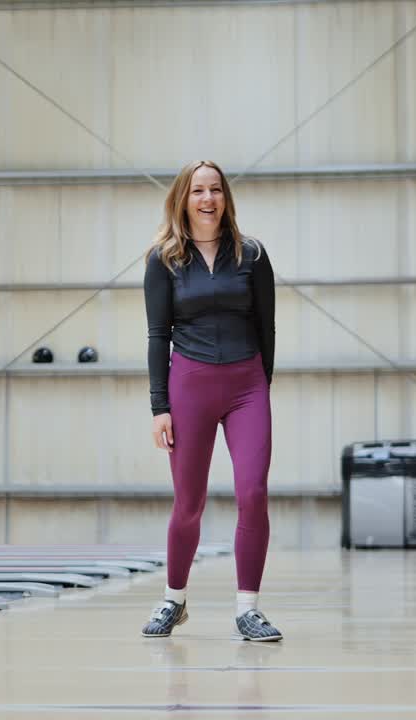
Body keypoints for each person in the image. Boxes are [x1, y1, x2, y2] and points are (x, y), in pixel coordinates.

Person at [140, 160, 281, 642]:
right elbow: (159, 335)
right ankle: (173, 599)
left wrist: (259, 385)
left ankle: (248, 608)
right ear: (183, 199)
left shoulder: (253, 255)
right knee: (189, 503)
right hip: (189, 388)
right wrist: (160, 406)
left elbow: (268, 328)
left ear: (226, 198)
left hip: (246, 387)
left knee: (253, 493)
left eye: (215, 190)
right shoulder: (163, 259)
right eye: (198, 190)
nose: (207, 199)